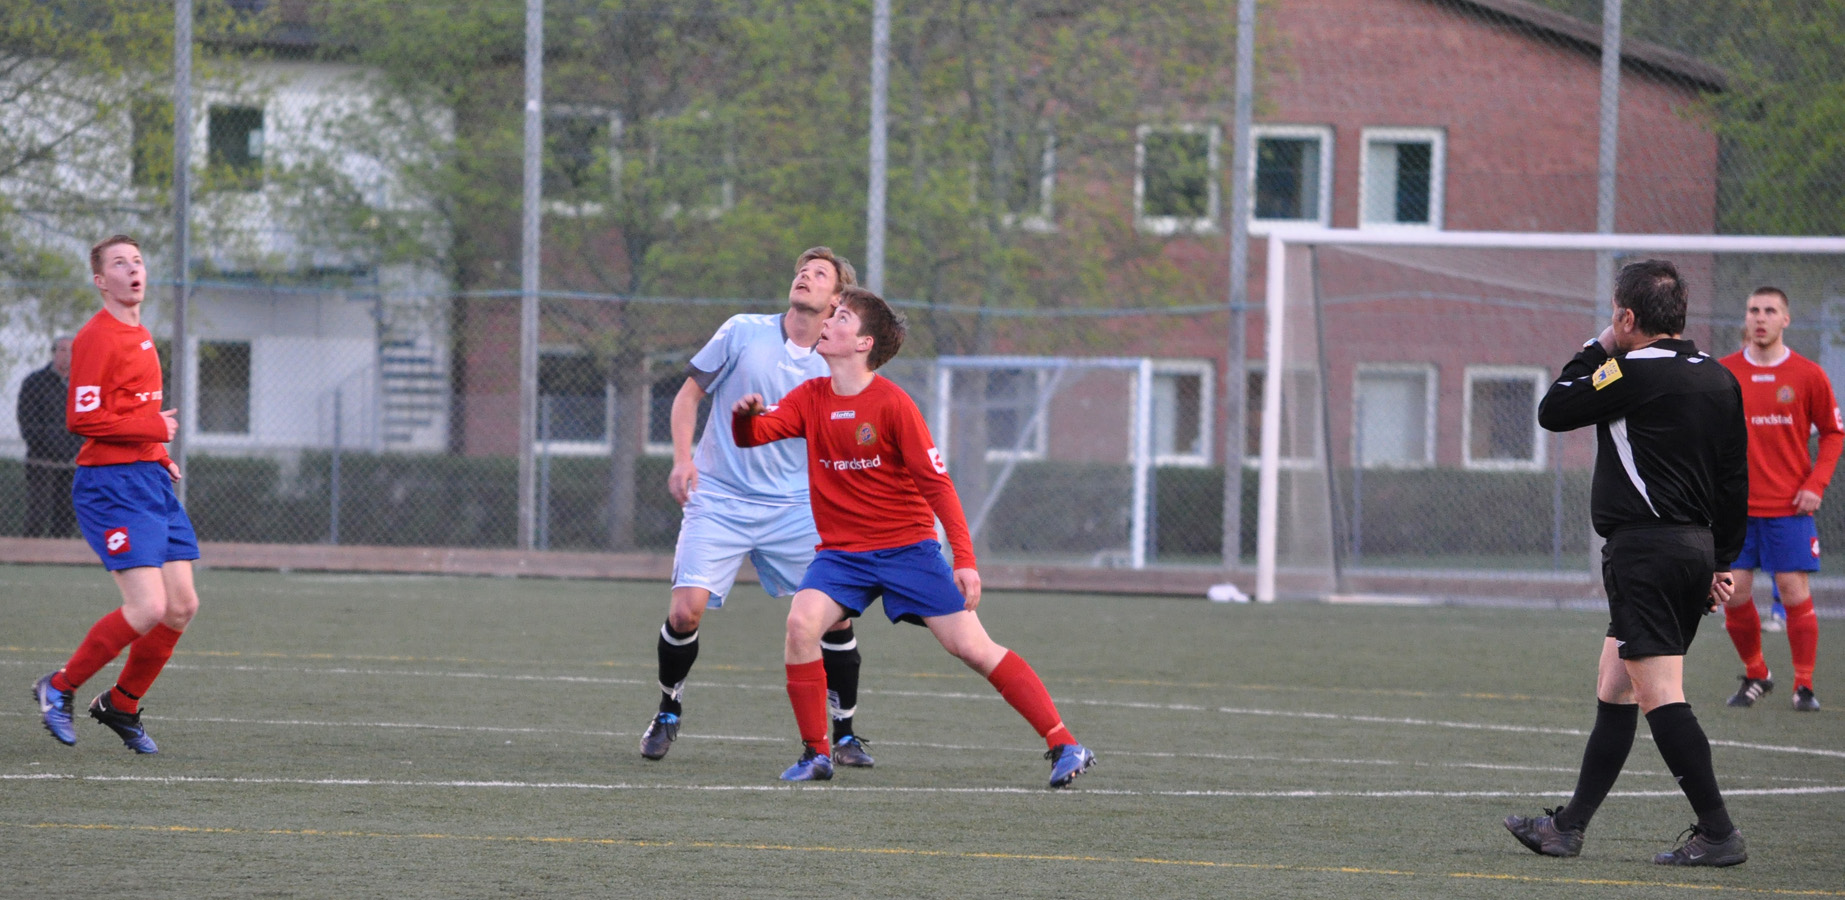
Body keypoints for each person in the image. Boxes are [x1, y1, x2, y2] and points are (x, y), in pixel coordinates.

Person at [732, 285, 1096, 788]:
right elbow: (754, 436)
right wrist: (744, 417)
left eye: (841, 317)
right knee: (801, 624)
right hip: (842, 556)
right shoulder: (811, 397)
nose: (828, 321)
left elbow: (938, 486)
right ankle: (817, 754)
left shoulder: (893, 404)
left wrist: (964, 560)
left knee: (971, 647)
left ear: (863, 343)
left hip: (908, 550)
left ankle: (1065, 743)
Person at [1504, 259, 1749, 866]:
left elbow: (1554, 408)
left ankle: (1718, 832)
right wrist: (1722, 561)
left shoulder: (1629, 369)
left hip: (1647, 553)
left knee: (1660, 693)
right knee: (1615, 686)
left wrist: (1600, 345)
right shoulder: (1718, 376)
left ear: (1627, 316)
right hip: (1692, 550)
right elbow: (1733, 480)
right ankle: (1567, 827)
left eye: (1617, 315)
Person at [640, 247, 875, 767]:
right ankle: (668, 709)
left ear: (838, 298)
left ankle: (844, 733)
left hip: (796, 507)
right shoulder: (742, 331)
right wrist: (683, 459)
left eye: (819, 274)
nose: (805, 277)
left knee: (832, 619)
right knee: (684, 611)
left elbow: (854, 430)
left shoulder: (837, 357)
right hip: (720, 497)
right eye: (802, 270)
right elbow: (687, 396)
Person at [29, 235, 200, 755]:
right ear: (101, 281)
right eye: (119, 264)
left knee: (181, 606)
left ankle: (120, 704)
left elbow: (128, 415)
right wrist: (152, 428)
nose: (132, 269)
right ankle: (58, 687)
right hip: (111, 486)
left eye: (138, 261)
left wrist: (157, 452)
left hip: (147, 478)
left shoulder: (141, 334)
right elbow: (82, 419)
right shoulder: (97, 337)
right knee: (147, 606)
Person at [1718, 286, 1839, 712]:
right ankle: (1757, 674)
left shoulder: (1808, 374)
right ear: (1745, 317)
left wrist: (1816, 484)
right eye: (1753, 310)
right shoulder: (1724, 373)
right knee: (1733, 594)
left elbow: (1833, 433)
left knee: (1792, 592)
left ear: (1786, 319)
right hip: (1735, 508)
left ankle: (1803, 685)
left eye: (1770, 310)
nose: (1760, 317)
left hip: (1789, 507)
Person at [16, 334, 84, 536]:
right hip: (42, 459)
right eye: (62, 350)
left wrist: (77, 449)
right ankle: (29, 549)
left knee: (66, 512)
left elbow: (88, 420)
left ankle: (60, 550)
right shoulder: (35, 382)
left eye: (72, 351)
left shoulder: (83, 384)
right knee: (38, 511)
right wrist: (48, 446)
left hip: (72, 460)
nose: (67, 355)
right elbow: (27, 420)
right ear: (54, 353)